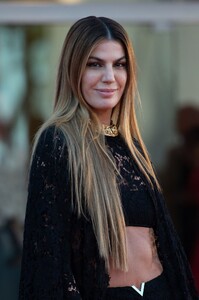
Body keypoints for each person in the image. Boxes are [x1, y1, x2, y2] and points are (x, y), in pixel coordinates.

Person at [18, 16, 198, 300]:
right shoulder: (57, 142)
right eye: (95, 64)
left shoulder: (131, 144)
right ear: (74, 69)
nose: (110, 77)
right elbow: (48, 258)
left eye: (120, 64)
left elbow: (165, 244)